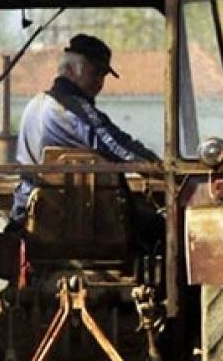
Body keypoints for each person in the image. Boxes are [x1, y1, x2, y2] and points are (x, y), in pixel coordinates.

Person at [9, 34, 159, 224]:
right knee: (158, 227)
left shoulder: (35, 104)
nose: (99, 82)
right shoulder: (74, 109)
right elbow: (117, 146)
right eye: (95, 73)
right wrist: (160, 168)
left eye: (103, 76)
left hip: (28, 213)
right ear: (70, 70)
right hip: (73, 216)